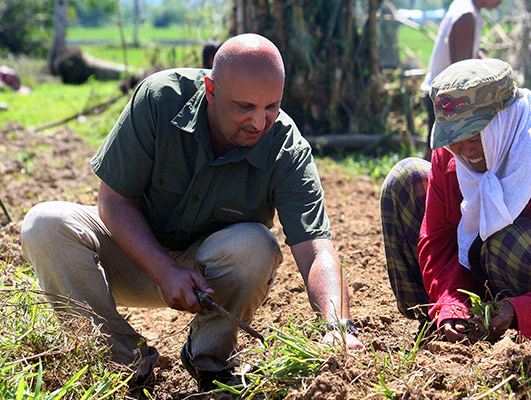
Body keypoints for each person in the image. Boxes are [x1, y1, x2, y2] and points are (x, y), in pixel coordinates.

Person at [21, 33, 364, 395]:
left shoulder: (285, 147)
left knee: (257, 244)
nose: (259, 122)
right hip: (128, 253)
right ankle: (121, 364)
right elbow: (114, 202)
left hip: (208, 279)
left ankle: (210, 362)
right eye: (244, 106)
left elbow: (316, 248)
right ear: (211, 89)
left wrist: (337, 328)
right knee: (44, 223)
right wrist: (164, 270)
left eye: (271, 106)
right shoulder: (160, 100)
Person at [381, 58, 531, 344]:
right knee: (406, 178)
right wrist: (450, 303)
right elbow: (436, 240)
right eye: (452, 137)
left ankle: (520, 334)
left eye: (473, 136)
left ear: (504, 121)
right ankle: (444, 323)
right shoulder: (454, 154)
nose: (461, 149)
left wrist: (518, 310)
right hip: (489, 279)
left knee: (507, 238)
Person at [420, 0, 502, 161]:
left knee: (439, 151)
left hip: (442, 92)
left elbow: (472, 55)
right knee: (439, 154)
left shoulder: (464, 7)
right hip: (447, 96)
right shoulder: (466, 15)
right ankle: (423, 183)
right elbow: (461, 69)